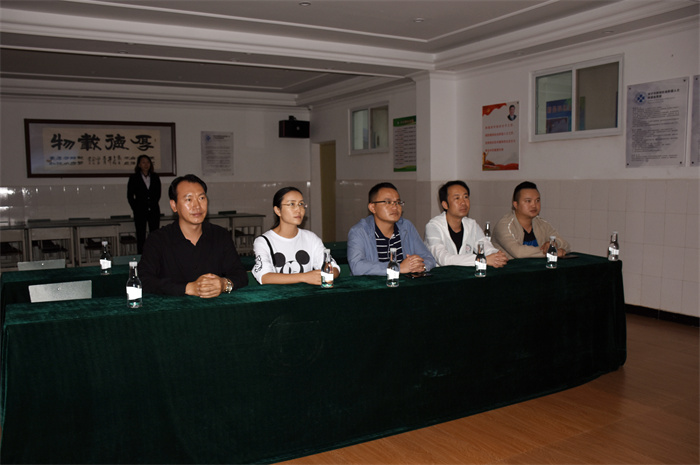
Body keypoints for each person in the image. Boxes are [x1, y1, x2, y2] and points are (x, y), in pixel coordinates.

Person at [138, 174, 248, 297]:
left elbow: (240, 275)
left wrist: (224, 284)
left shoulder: (220, 235)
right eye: (188, 200)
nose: (197, 206)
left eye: (201, 198)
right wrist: (187, 288)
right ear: (174, 205)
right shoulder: (158, 239)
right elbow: (144, 280)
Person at [252, 186, 340, 285]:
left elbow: (334, 268)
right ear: (277, 210)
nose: (298, 209)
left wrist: (326, 274)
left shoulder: (311, 238)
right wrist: (304, 277)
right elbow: (264, 277)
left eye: (301, 204)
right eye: (292, 204)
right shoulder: (263, 241)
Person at [347, 182, 436, 276]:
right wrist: (397, 268)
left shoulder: (406, 226)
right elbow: (357, 267)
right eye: (388, 202)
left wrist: (420, 267)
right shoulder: (359, 231)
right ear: (372, 207)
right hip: (372, 284)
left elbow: (428, 258)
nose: (395, 207)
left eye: (398, 202)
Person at [424, 181, 508, 268]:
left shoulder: (472, 224)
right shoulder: (433, 226)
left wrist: (497, 256)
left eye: (466, 197)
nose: (463, 202)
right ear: (445, 205)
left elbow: (486, 247)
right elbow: (444, 259)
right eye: (457, 198)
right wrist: (480, 260)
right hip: (441, 274)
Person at [492, 181, 570, 259]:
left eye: (537, 200)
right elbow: (518, 252)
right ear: (516, 204)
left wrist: (554, 244)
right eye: (528, 201)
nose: (534, 205)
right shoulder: (504, 226)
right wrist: (551, 252)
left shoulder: (541, 223)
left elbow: (566, 245)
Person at [127, 154, 161, 254]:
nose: (146, 165)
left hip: (153, 210)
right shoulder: (134, 177)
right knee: (141, 235)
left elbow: (158, 193)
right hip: (140, 211)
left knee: (154, 235)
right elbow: (130, 196)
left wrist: (152, 204)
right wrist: (136, 208)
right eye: (143, 162)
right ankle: (141, 256)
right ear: (139, 165)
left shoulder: (155, 177)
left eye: (148, 162)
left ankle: (154, 255)